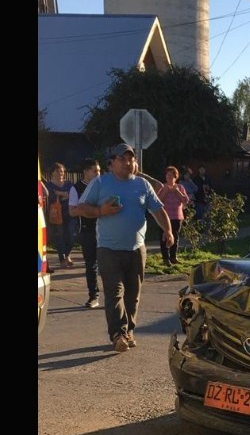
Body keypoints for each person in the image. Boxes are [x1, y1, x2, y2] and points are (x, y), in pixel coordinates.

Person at [78, 144, 175, 352]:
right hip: (108, 249)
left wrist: (168, 231)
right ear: (111, 163)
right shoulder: (100, 182)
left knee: (133, 294)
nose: (127, 162)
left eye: (130, 159)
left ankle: (129, 330)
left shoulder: (142, 184)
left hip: (137, 249)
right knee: (114, 292)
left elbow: (158, 210)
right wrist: (100, 210)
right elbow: (80, 208)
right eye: (122, 159)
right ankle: (117, 334)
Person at [68, 158, 102, 308]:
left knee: (109, 264)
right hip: (87, 231)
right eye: (95, 171)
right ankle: (93, 296)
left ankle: (113, 296)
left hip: (105, 230)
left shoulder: (103, 186)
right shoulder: (76, 188)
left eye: (99, 171)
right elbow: (72, 211)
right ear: (86, 171)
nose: (98, 173)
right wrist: (88, 210)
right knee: (91, 265)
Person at [156, 166, 190, 266]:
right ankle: (165, 258)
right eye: (167, 175)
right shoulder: (162, 187)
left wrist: (177, 191)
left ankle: (173, 257)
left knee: (175, 236)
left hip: (176, 216)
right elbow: (157, 201)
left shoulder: (180, 187)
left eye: (171, 175)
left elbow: (185, 200)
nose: (169, 177)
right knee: (164, 237)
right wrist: (166, 191)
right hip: (164, 217)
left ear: (176, 177)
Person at [44, 162, 75, 268]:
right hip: (57, 214)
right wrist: (64, 195)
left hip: (69, 212)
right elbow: (51, 196)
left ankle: (67, 255)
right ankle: (63, 259)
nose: (60, 173)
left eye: (62, 171)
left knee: (71, 235)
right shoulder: (48, 185)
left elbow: (72, 195)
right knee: (60, 236)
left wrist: (59, 193)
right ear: (52, 172)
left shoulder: (68, 184)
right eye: (57, 171)